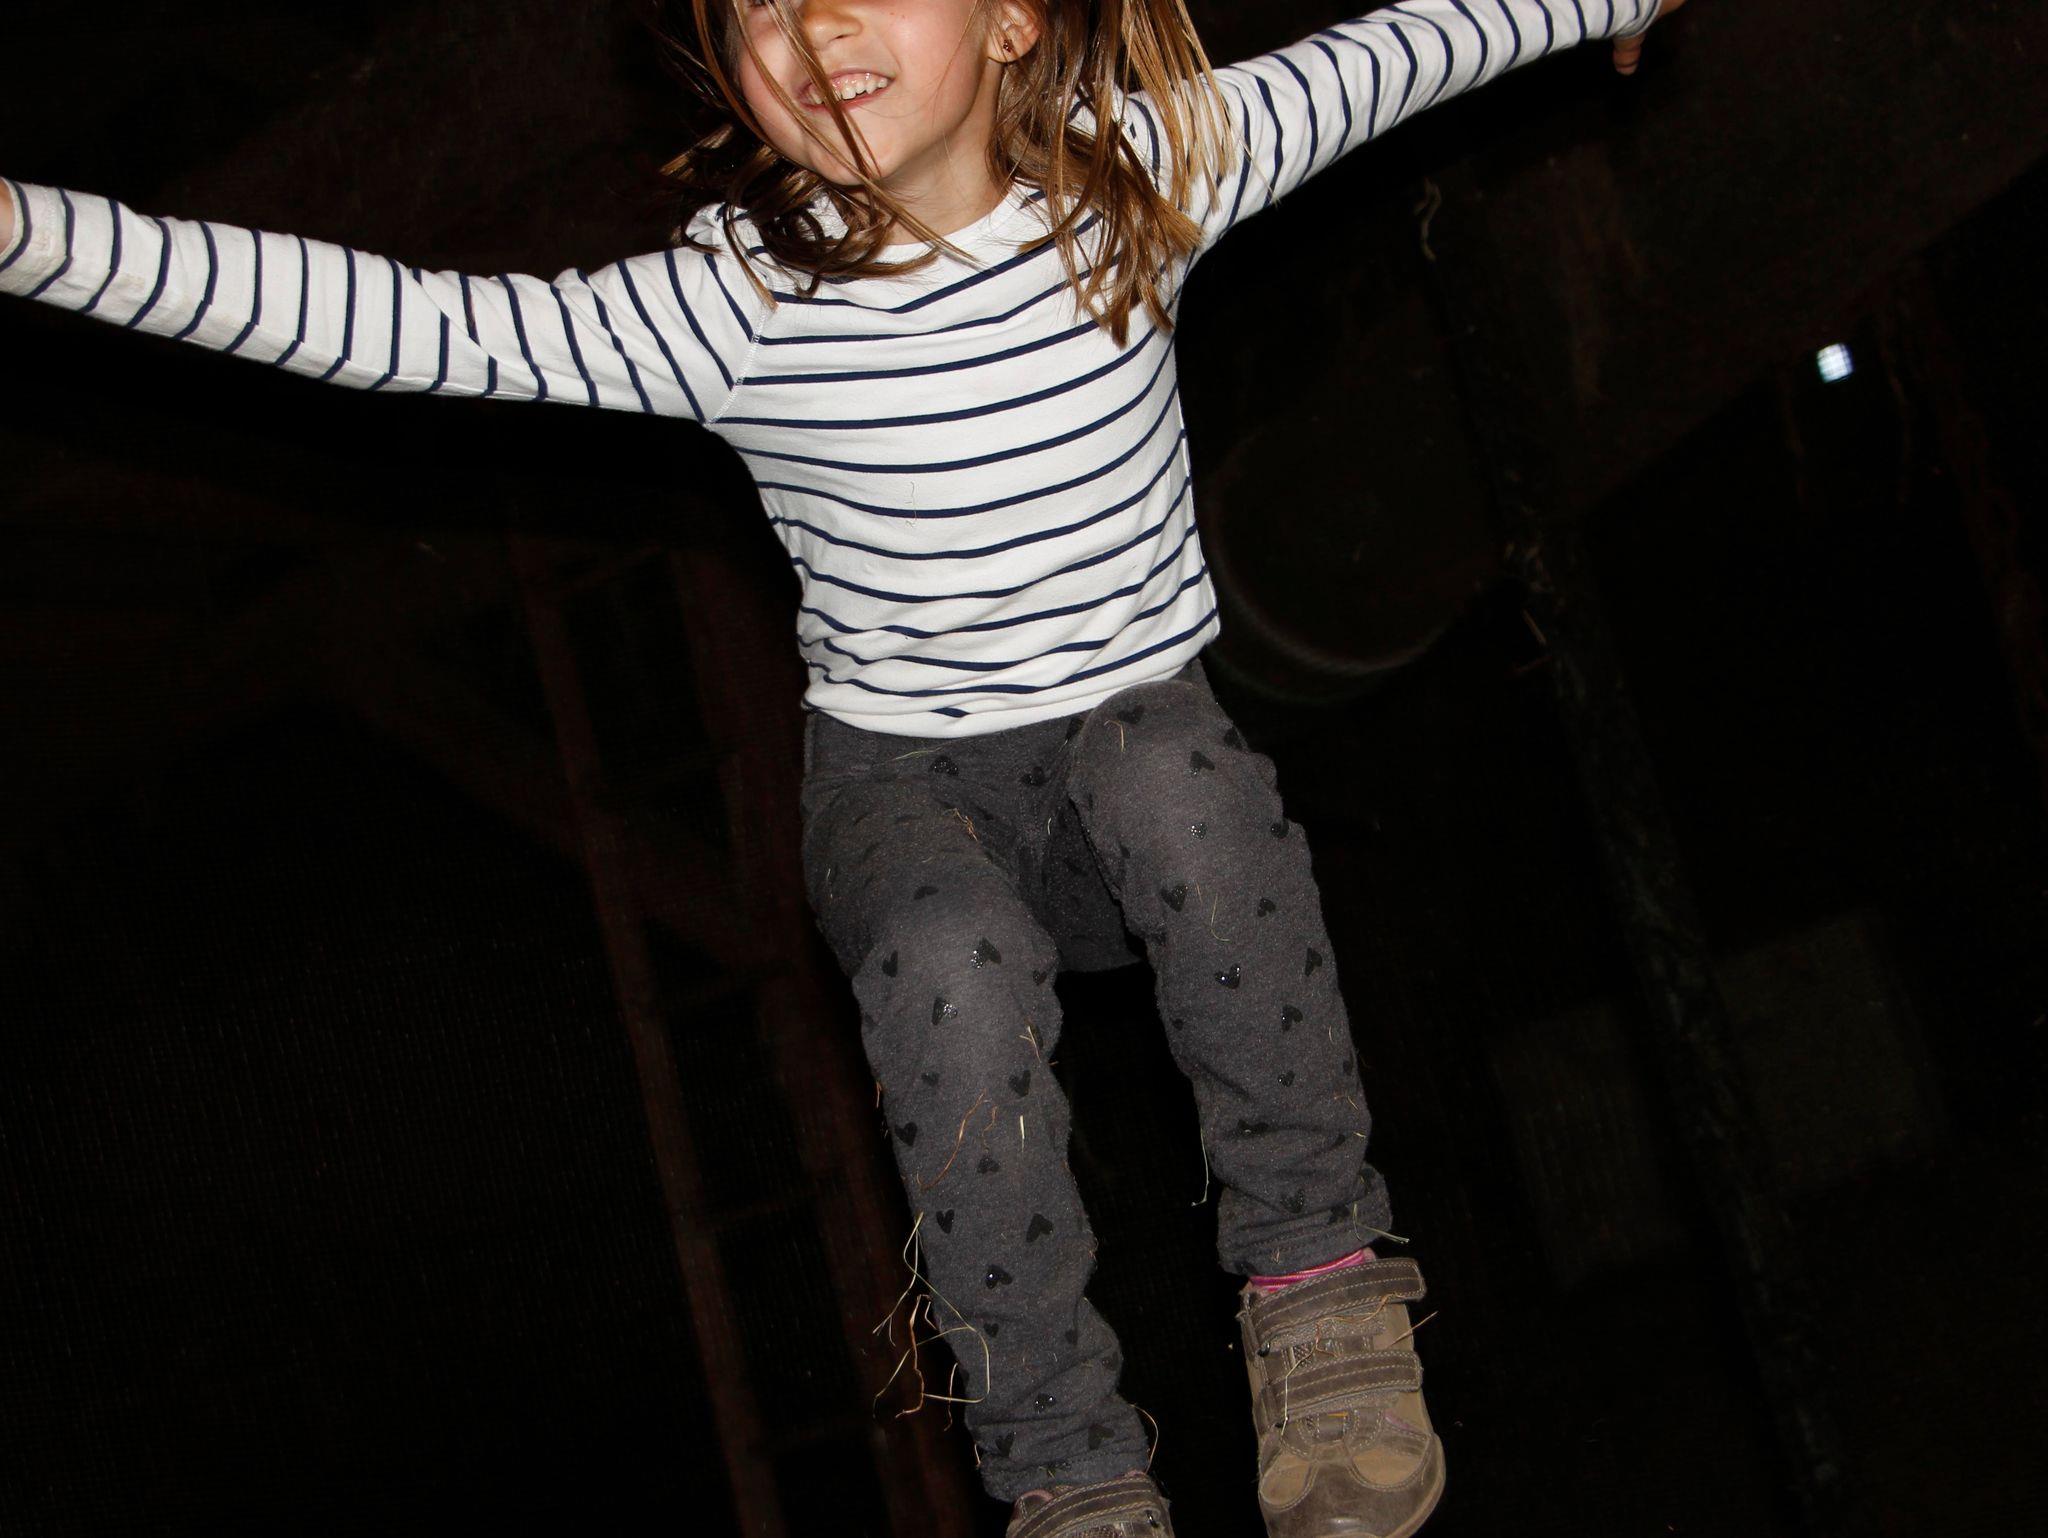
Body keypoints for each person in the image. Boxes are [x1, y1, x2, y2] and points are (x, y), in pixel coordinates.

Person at [0, 1, 1687, 1533]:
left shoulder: (1152, 168)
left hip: (1135, 780)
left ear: (1015, 21)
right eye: (751, 6)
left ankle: (1319, 1290)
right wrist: (27, 233)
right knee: (946, 953)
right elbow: (400, 323)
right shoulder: (728, 306)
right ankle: (1069, 1469)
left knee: (1175, 769)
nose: (804, 25)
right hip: (908, 794)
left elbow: (1408, 50)